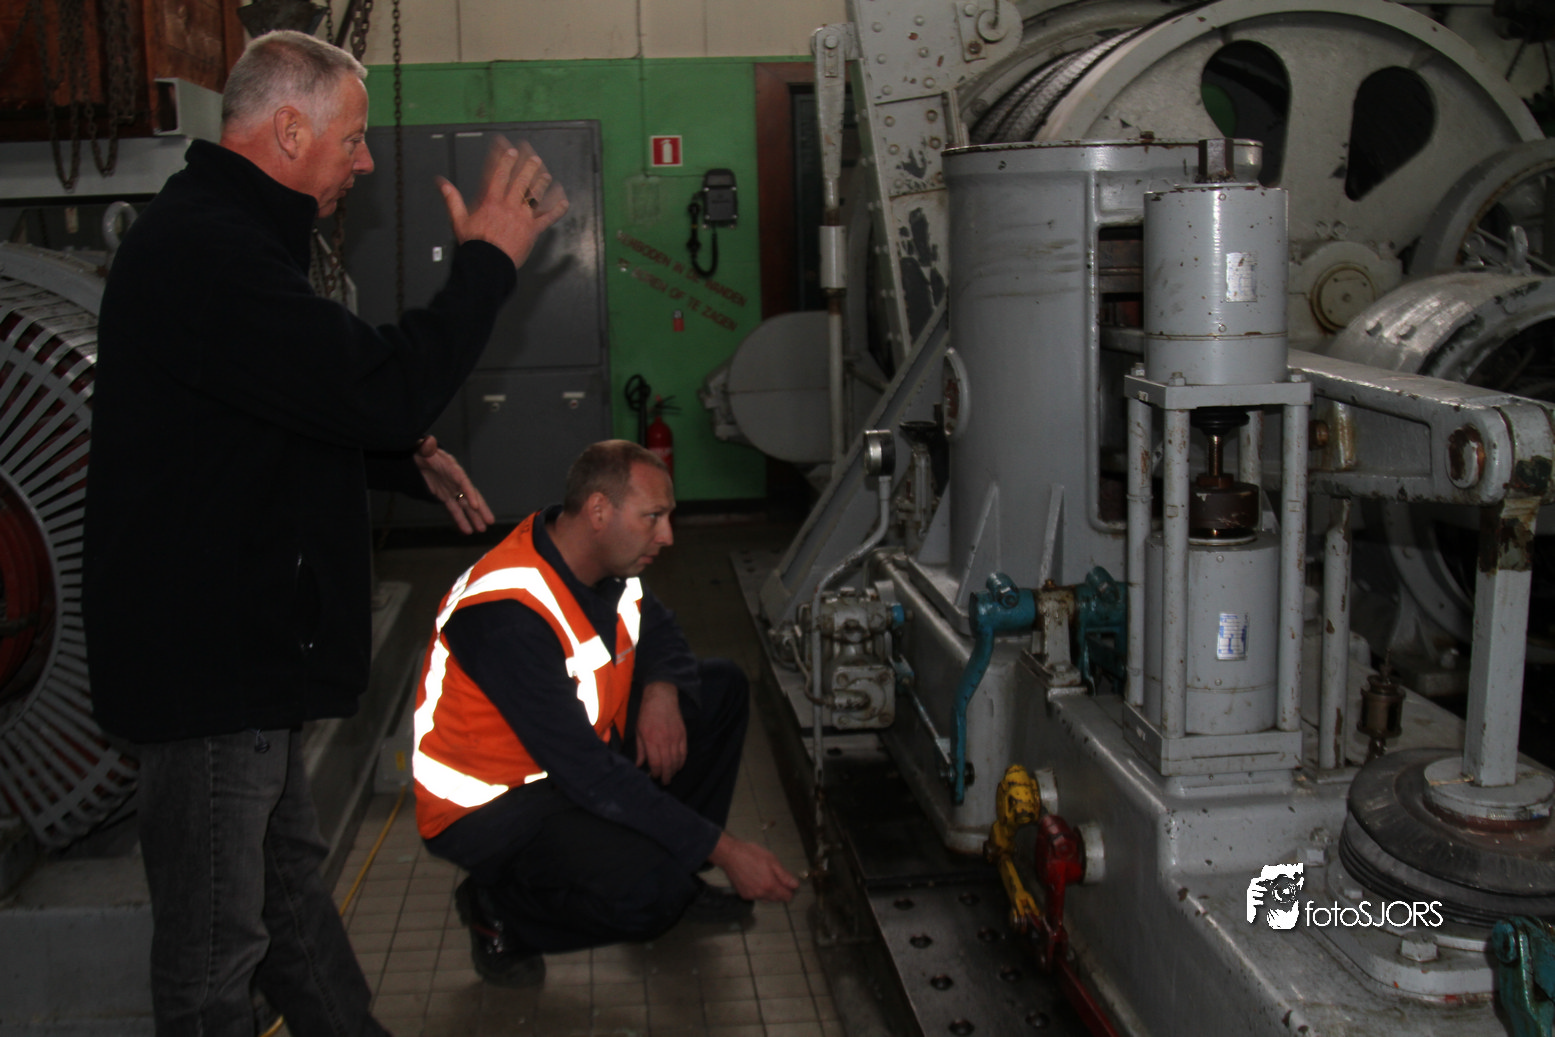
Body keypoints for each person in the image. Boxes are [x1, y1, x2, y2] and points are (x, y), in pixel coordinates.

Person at [82, 28, 568, 1037]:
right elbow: (376, 387)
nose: (366, 162)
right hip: (208, 667)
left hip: (239, 658)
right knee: (214, 961)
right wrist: (487, 261)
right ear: (290, 131)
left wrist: (400, 455)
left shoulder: (225, 235)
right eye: (351, 139)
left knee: (286, 897)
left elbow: (270, 409)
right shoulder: (209, 250)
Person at [413, 440, 800, 985]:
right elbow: (589, 773)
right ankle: (500, 911)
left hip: (566, 765)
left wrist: (662, 693)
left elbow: (658, 627)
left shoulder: (600, 562)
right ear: (598, 510)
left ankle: (679, 872)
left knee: (720, 690)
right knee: (652, 897)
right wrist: (727, 850)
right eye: (653, 517)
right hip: (492, 809)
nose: (667, 536)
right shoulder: (505, 613)